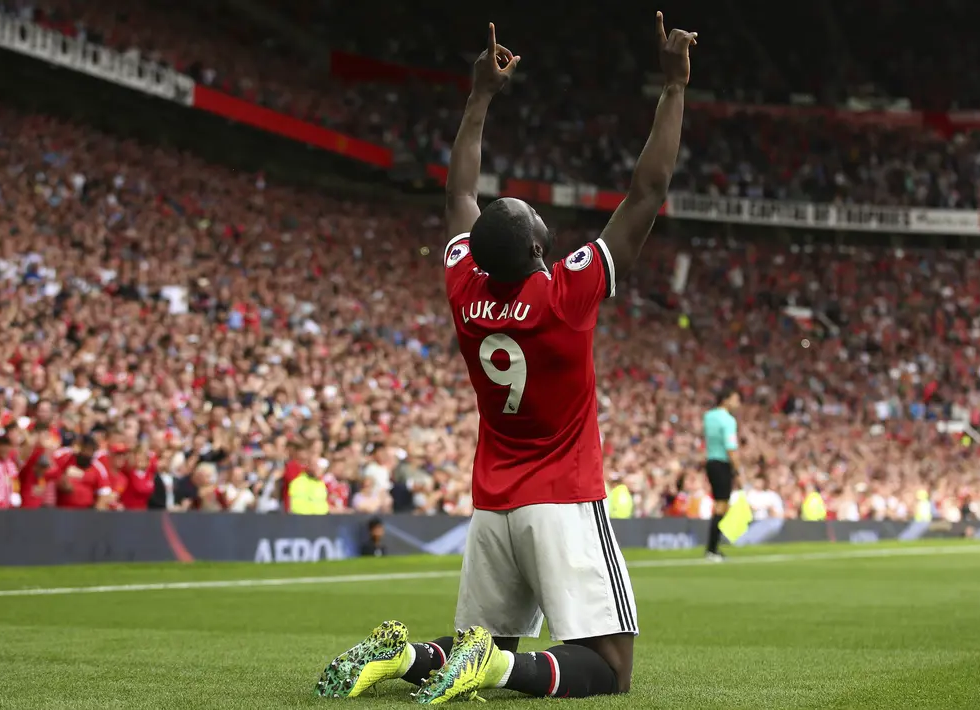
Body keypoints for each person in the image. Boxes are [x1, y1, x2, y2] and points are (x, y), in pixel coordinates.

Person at [317, 13, 695, 703]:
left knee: (479, 637)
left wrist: (478, 97)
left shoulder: (464, 287)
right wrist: (672, 87)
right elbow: (646, 192)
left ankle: (402, 658)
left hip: (493, 502)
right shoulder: (563, 295)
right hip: (561, 496)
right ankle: (491, 672)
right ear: (534, 250)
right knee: (610, 668)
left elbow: (460, 193)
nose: (530, 214)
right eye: (530, 219)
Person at [703, 388, 741, 561]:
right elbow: (731, 448)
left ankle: (712, 547)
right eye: (735, 399)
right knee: (721, 506)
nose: (737, 404)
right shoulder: (728, 420)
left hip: (710, 462)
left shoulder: (709, 416)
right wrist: (738, 470)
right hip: (722, 463)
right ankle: (712, 549)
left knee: (719, 505)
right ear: (726, 400)